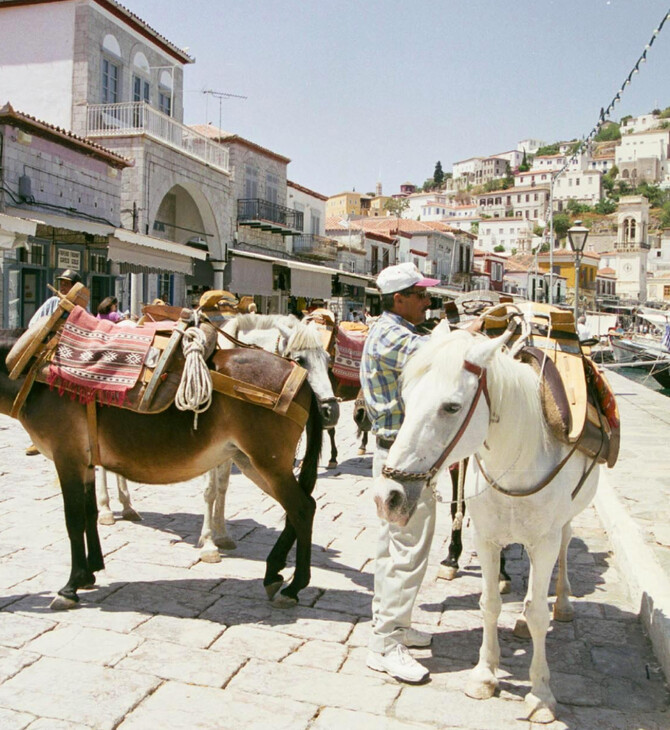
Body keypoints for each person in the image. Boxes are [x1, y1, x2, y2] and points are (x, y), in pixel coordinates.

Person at [360, 262, 440, 684]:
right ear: (399, 299)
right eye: (420, 294)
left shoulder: (392, 330)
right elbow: (445, 358)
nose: (428, 301)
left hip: (394, 457)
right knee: (407, 552)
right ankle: (386, 644)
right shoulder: (395, 336)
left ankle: (394, 627)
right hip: (405, 462)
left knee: (393, 549)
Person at [26, 269, 83, 455]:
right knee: (38, 393)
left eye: (67, 284)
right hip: (49, 353)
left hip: (71, 355)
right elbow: (34, 324)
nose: (63, 286)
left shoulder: (80, 307)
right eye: (62, 283)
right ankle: (38, 438)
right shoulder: (52, 302)